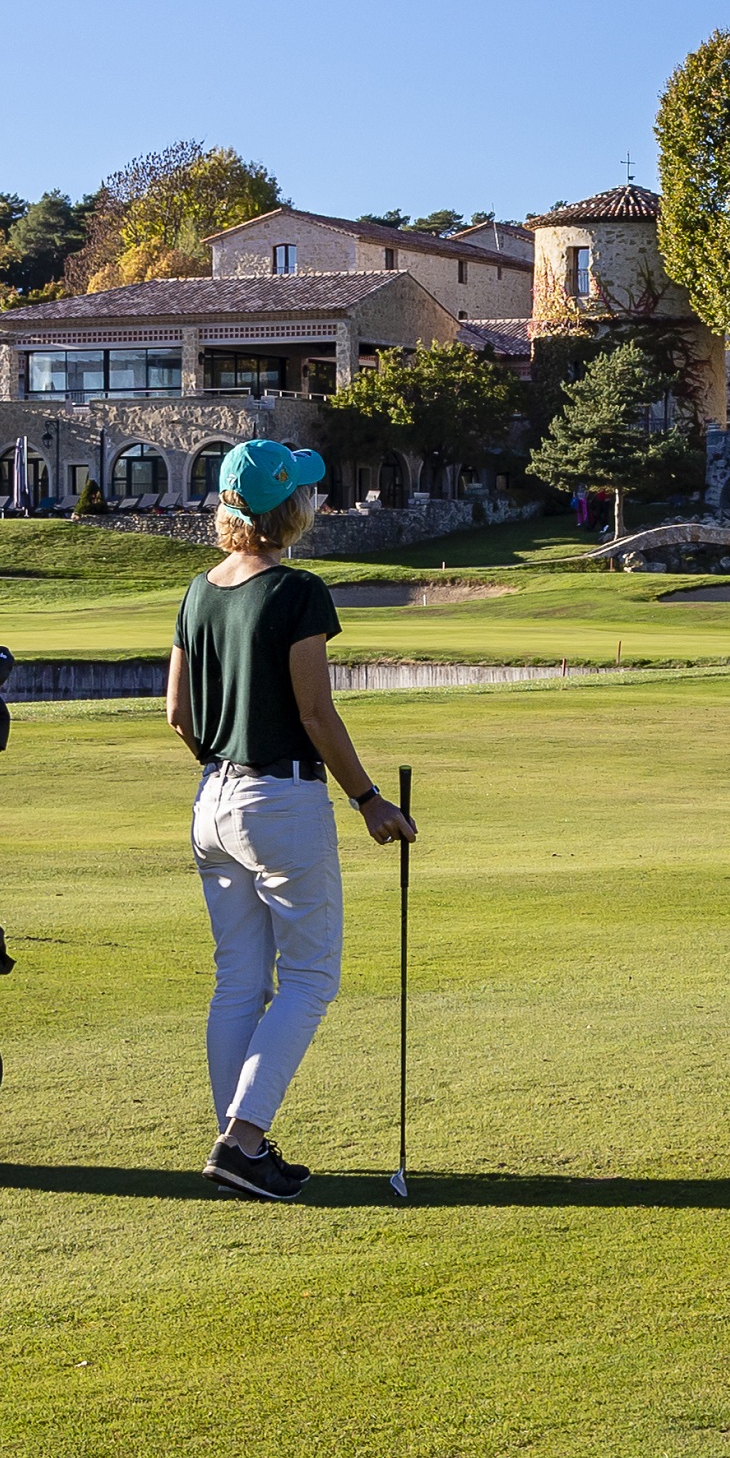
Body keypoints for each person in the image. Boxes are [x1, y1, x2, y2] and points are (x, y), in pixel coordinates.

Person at [165, 436, 415, 1203]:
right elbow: (315, 710)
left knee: (238, 981)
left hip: (212, 800)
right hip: (281, 802)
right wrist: (369, 800)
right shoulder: (297, 590)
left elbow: (177, 714)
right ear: (289, 507)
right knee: (309, 977)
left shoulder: (198, 590)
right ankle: (242, 1141)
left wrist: (226, 763)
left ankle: (234, 1145)